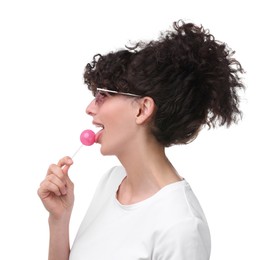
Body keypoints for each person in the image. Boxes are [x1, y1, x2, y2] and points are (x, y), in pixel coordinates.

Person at [38, 20, 245, 260]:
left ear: (142, 109)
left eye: (102, 96)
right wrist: (59, 219)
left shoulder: (181, 228)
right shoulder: (111, 182)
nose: (90, 108)